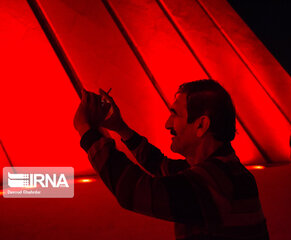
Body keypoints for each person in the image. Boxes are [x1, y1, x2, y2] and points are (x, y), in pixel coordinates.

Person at [73, 79, 269, 240]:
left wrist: (87, 132)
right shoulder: (219, 169)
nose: (167, 124)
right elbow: (160, 165)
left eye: (174, 114)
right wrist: (121, 128)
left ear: (201, 125)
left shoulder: (217, 181)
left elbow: (134, 191)